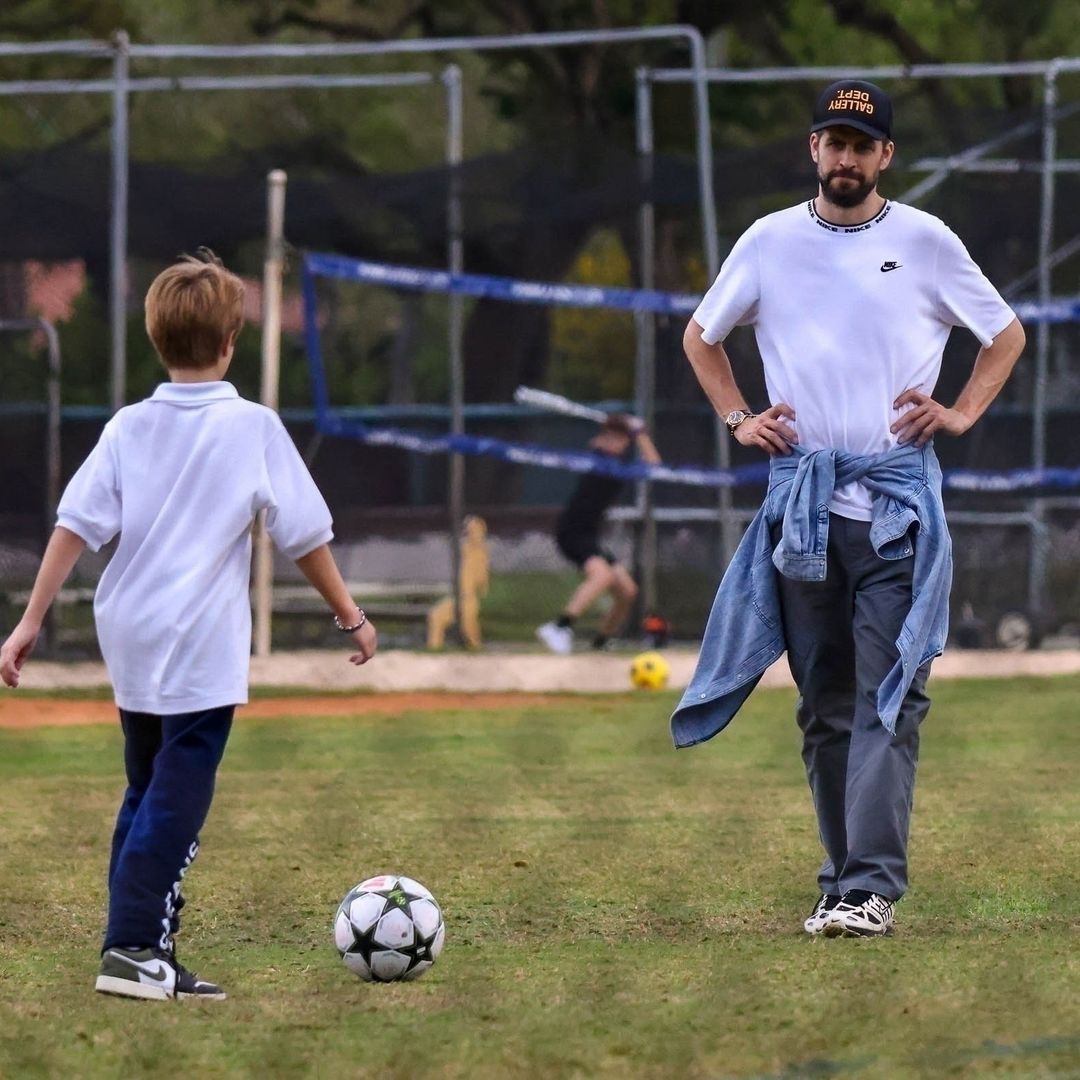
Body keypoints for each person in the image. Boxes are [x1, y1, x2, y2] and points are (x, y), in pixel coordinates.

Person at [672, 80, 1024, 938]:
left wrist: (963, 413)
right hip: (804, 510)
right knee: (824, 706)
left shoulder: (926, 241)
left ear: (885, 158)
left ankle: (870, 886)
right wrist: (738, 418)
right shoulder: (768, 241)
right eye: (833, 141)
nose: (845, 157)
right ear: (814, 150)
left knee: (889, 695)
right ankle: (839, 883)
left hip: (896, 508)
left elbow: (1005, 333)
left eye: (861, 145)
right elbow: (701, 335)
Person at [0, 250, 378, 1000]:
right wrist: (350, 615)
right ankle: (135, 947)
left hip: (130, 630)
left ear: (155, 336)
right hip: (197, 639)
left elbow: (73, 527)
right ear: (233, 338)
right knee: (179, 791)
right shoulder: (252, 427)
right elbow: (303, 535)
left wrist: (28, 622)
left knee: (145, 785)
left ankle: (141, 949)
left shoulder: (127, 427)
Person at [536, 413, 661, 654]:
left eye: (623, 440)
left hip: (589, 534)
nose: (620, 444)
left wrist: (639, 434)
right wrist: (623, 430)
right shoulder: (597, 458)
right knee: (602, 576)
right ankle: (559, 627)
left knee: (627, 591)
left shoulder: (619, 467)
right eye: (615, 438)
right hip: (572, 531)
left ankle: (601, 642)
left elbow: (655, 465)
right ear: (604, 439)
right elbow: (598, 444)